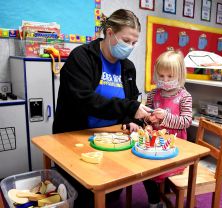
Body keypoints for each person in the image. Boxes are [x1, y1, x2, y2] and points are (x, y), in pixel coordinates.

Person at [53, 9, 152, 207]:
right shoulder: (81, 57)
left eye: (134, 43)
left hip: (112, 141)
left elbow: (131, 98)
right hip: (76, 137)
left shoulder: (128, 67)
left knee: (112, 195)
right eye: (126, 40)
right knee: (84, 197)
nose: (130, 47)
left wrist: (134, 120)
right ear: (109, 33)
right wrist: (131, 107)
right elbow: (84, 99)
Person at [143, 50, 192, 208]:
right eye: (161, 76)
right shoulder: (153, 94)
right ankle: (155, 201)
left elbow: (186, 121)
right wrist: (148, 122)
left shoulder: (184, 96)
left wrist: (165, 117)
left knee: (159, 172)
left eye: (170, 76)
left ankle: (169, 194)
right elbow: (146, 114)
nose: (165, 80)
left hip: (175, 147)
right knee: (142, 170)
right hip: (155, 143)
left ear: (180, 75)